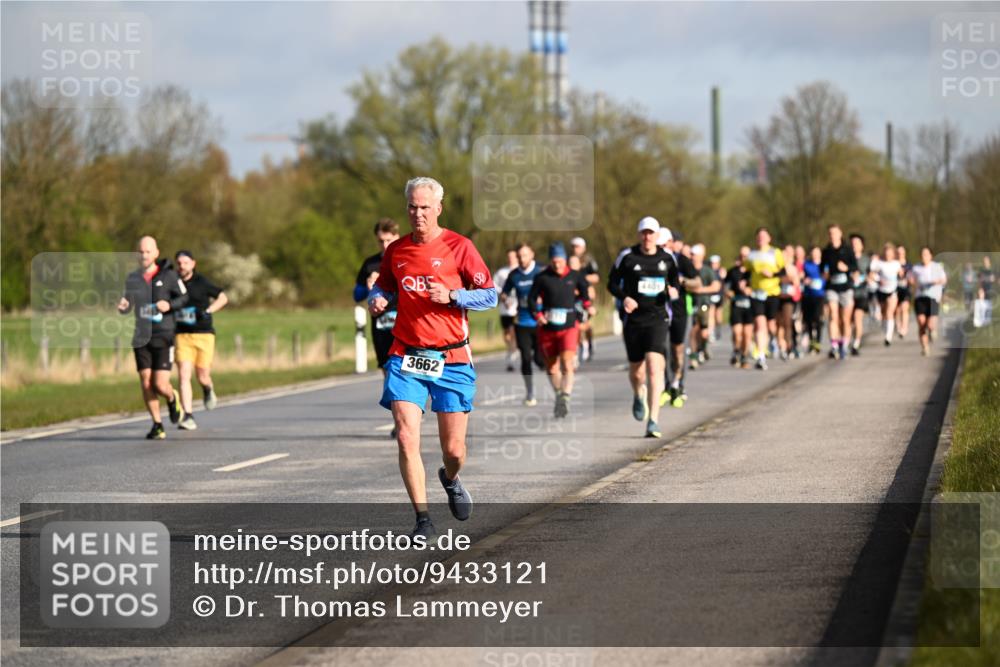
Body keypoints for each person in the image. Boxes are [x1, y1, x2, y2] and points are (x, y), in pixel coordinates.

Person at [367, 177, 497, 539]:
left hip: (451, 357)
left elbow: (490, 296)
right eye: (412, 206)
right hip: (406, 354)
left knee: (453, 450)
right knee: (407, 436)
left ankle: (451, 478)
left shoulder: (460, 246)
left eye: (425, 207)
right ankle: (422, 518)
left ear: (438, 208)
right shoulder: (397, 251)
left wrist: (455, 296)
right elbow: (384, 287)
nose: (418, 213)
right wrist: (377, 298)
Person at [607, 217, 677, 438]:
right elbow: (611, 283)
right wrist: (625, 298)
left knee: (654, 367)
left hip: (657, 318)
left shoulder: (668, 258)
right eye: (644, 233)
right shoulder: (627, 257)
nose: (647, 237)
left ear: (657, 236)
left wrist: (673, 291)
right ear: (639, 235)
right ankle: (639, 394)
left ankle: (653, 420)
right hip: (634, 320)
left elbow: (674, 283)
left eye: (651, 233)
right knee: (637, 372)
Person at [117, 236, 189, 440]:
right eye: (140, 252)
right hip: (141, 336)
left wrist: (170, 305)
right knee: (145, 382)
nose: (144, 255)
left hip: (163, 335)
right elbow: (128, 304)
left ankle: (172, 397)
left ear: (156, 253)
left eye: (148, 251)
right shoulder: (132, 279)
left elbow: (184, 298)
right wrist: (123, 306)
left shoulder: (169, 276)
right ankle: (157, 424)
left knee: (159, 384)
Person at [529, 243, 594, 418]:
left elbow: (585, 293)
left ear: (565, 260)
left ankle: (565, 396)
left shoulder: (575, 275)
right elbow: (532, 300)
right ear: (550, 261)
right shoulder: (542, 278)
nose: (557, 265)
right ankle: (559, 393)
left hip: (569, 327)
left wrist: (587, 306)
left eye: (560, 261)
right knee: (551, 367)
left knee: (567, 362)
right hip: (548, 328)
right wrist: (538, 315)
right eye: (554, 261)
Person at [173, 250, 228, 430]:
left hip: (204, 334)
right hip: (182, 334)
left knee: (202, 374)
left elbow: (223, 297)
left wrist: (208, 311)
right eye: (179, 263)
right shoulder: (172, 283)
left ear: (193, 264)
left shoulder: (201, 282)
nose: (182, 266)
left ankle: (207, 388)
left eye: (186, 263)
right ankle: (188, 415)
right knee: (183, 374)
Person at [354, 218, 402, 375]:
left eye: (389, 240)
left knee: (405, 370)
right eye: (381, 241)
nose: (385, 245)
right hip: (381, 325)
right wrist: (370, 287)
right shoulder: (371, 264)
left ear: (397, 237)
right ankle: (391, 400)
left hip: (404, 324)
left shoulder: (407, 259)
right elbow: (357, 295)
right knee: (386, 368)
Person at [500, 243, 545, 406]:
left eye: (524, 255)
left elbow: (552, 288)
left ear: (532, 254)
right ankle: (530, 393)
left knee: (540, 360)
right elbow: (504, 292)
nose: (521, 259)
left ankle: (551, 374)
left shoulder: (540, 271)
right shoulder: (514, 275)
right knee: (526, 358)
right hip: (522, 321)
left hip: (540, 321)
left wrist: (544, 298)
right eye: (519, 256)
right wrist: (506, 300)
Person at [662, 230, 699, 405]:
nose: (662, 248)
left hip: (679, 311)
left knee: (678, 349)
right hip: (659, 311)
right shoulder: (651, 260)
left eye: (664, 244)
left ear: (670, 243)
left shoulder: (681, 260)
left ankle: (679, 384)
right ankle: (666, 386)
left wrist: (682, 281)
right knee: (662, 349)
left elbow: (697, 282)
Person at [747, 227, 785, 370]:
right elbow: (746, 271)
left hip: (772, 292)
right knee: (760, 323)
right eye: (759, 236)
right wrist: (743, 283)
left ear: (769, 238)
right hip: (757, 293)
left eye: (764, 236)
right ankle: (761, 355)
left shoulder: (775, 253)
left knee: (771, 325)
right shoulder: (752, 255)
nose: (761, 238)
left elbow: (783, 271)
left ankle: (775, 340)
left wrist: (773, 274)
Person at [821, 224, 857, 360]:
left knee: (845, 319)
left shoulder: (847, 250)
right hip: (831, 287)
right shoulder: (826, 251)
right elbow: (821, 267)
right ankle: (834, 345)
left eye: (834, 233)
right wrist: (823, 273)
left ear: (840, 234)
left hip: (846, 287)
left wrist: (846, 268)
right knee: (833, 315)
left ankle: (845, 345)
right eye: (830, 233)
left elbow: (855, 266)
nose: (832, 236)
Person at [687, 244, 721, 369]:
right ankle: (694, 356)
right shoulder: (688, 268)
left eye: (695, 255)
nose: (692, 257)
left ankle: (703, 347)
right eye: (691, 254)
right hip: (690, 304)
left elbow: (716, 286)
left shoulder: (707, 270)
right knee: (693, 330)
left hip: (704, 304)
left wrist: (700, 290)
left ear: (701, 256)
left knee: (704, 332)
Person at [910, 246, 947, 356]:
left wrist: (937, 282)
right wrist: (914, 283)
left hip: (933, 298)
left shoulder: (937, 267)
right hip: (920, 298)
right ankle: (925, 347)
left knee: (930, 324)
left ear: (931, 255)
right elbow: (910, 279)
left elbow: (944, 280)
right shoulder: (916, 268)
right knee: (921, 324)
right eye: (922, 254)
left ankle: (932, 330)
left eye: (926, 254)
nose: (924, 256)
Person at [570, 237, 600, 361]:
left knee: (585, 324)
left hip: (586, 295)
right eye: (573, 246)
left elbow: (596, 278)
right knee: (576, 323)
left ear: (583, 248)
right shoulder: (569, 260)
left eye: (578, 246)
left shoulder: (589, 261)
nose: (575, 249)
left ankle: (588, 343)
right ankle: (581, 345)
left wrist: (581, 280)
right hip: (573, 297)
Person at [726, 246, 754, 367]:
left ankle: (744, 356)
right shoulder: (732, 271)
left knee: (747, 334)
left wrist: (750, 290)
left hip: (749, 305)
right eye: (742, 256)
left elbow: (760, 287)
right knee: (737, 332)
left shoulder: (753, 272)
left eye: (746, 256)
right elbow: (726, 286)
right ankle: (736, 350)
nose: (744, 258)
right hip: (736, 304)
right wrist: (728, 292)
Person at [493, 249, 520, 371]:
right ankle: (511, 349)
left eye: (513, 256)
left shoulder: (520, 271)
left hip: (517, 307)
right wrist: (502, 295)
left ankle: (512, 355)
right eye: (509, 256)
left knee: (513, 332)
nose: (511, 259)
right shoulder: (501, 272)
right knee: (507, 335)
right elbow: (494, 285)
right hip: (504, 308)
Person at [847, 234, 871, 356]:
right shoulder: (846, 258)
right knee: (848, 322)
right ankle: (848, 341)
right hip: (848, 293)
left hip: (862, 293)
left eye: (856, 243)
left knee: (857, 318)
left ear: (862, 245)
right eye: (852, 243)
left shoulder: (866, 259)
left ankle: (856, 344)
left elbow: (871, 275)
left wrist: (865, 278)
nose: (854, 245)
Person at [776, 244, 800, 361]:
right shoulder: (776, 266)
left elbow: (795, 282)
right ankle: (781, 346)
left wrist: (784, 278)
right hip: (777, 296)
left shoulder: (792, 267)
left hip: (788, 298)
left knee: (787, 323)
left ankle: (788, 346)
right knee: (778, 324)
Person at [876, 243, 902, 346]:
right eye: (886, 253)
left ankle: (888, 337)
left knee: (889, 312)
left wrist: (902, 275)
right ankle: (885, 326)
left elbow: (901, 274)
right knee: (883, 313)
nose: (888, 255)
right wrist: (879, 280)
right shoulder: (879, 263)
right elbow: (872, 275)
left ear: (893, 254)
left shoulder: (896, 264)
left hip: (892, 291)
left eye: (890, 253)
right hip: (882, 291)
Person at [802, 246, 827, 354]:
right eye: (813, 253)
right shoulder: (806, 264)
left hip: (820, 295)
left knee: (817, 319)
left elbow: (827, 277)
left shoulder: (824, 265)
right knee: (808, 320)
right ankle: (812, 341)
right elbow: (801, 276)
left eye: (817, 252)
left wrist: (822, 281)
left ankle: (818, 342)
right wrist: (804, 279)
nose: (815, 255)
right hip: (807, 295)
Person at [709, 254, 726, 341]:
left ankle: (718, 329)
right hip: (710, 295)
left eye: (715, 263)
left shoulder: (721, 271)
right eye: (712, 263)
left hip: (719, 296)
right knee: (710, 314)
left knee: (718, 316)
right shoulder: (709, 271)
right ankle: (711, 332)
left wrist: (723, 277)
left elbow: (724, 284)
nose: (713, 265)